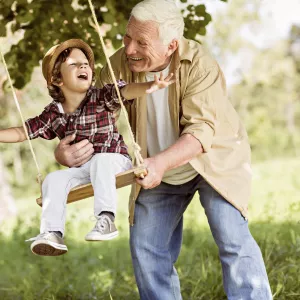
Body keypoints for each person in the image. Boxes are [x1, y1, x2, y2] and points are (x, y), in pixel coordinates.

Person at [54, 1, 273, 299]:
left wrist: (159, 163)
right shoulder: (118, 66)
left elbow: (200, 132)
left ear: (171, 45)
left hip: (213, 161)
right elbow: (89, 118)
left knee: (232, 237)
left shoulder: (199, 63)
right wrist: (66, 152)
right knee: (146, 248)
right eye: (127, 38)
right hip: (156, 168)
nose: (130, 49)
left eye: (141, 42)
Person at [0, 38, 173, 257]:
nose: (84, 67)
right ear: (56, 78)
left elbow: (126, 91)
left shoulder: (100, 97)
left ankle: (106, 219)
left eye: (86, 64)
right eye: (74, 64)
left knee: (101, 161)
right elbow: (22, 132)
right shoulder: (53, 114)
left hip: (113, 161)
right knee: (53, 179)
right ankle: (52, 233)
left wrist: (150, 86)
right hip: (85, 170)